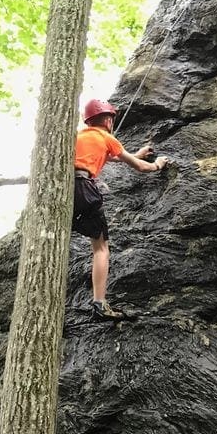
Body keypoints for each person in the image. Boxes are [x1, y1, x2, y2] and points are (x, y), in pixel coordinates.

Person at [73, 98, 169, 321]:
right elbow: (139, 167)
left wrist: (136, 153)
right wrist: (157, 164)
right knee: (100, 248)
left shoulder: (78, 136)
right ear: (107, 119)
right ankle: (99, 303)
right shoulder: (106, 137)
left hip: (63, 190)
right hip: (84, 189)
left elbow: (111, 156)